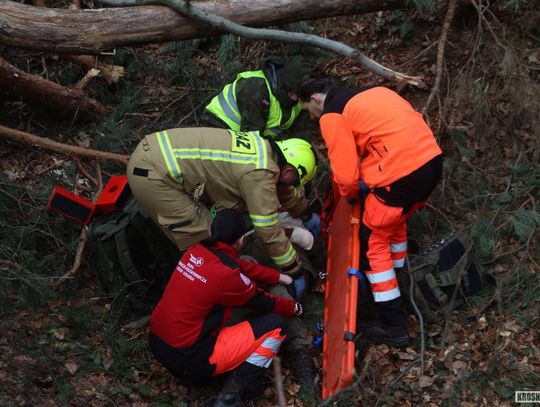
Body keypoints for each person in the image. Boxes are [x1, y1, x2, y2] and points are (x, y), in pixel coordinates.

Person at [297, 79, 443, 347]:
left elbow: (346, 177)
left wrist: (351, 196)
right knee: (394, 227)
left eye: (309, 109)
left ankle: (392, 325)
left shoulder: (333, 114)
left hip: (401, 174)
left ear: (316, 99)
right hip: (431, 163)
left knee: (373, 244)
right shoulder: (374, 93)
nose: (312, 116)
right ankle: (402, 287)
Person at [149, 209, 303, 407]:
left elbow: (239, 266)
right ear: (240, 240)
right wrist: (293, 307)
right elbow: (263, 301)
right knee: (276, 325)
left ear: (211, 231)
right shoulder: (228, 277)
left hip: (158, 343)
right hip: (190, 359)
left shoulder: (195, 252)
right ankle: (234, 394)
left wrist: (278, 277)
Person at [203, 55, 314, 140]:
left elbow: (301, 134)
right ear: (282, 82)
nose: (294, 98)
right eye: (290, 90)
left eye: (298, 93)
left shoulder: (301, 99)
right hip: (217, 127)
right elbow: (251, 138)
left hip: (248, 137)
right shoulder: (256, 87)